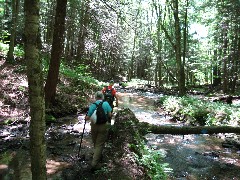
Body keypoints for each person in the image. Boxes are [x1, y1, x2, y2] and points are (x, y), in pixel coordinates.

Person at [85, 91, 112, 171]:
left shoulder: (93, 105)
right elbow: (110, 115)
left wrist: (86, 116)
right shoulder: (106, 104)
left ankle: (96, 156)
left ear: (95, 97)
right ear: (102, 96)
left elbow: (88, 117)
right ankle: (94, 163)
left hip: (94, 126)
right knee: (99, 144)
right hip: (103, 126)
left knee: (95, 142)